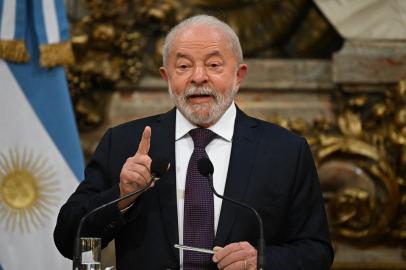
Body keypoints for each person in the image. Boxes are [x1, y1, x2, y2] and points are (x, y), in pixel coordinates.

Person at [54, 15, 334, 269]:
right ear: (167, 77)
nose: (198, 77)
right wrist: (122, 194)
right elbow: (68, 239)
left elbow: (317, 251)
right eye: (184, 66)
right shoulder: (125, 142)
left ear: (239, 75)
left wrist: (261, 261)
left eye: (213, 65)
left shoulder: (285, 151)